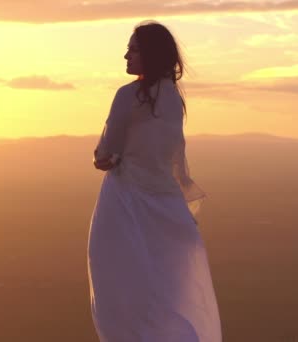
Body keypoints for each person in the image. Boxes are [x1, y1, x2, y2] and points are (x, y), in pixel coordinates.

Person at [87, 20, 222, 341]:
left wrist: (103, 158)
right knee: (168, 292)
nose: (125, 56)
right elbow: (173, 159)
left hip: (124, 204)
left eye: (133, 49)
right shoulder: (174, 99)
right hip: (167, 208)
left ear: (150, 53)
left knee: (119, 291)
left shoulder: (128, 95)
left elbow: (106, 154)